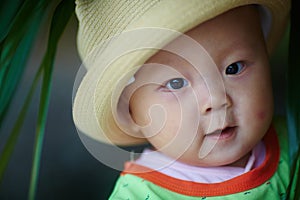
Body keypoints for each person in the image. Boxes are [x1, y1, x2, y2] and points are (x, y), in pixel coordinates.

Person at [72, 0, 293, 199]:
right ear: (131, 114)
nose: (216, 100)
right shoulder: (140, 193)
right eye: (176, 84)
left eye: (233, 68)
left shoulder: (292, 141)